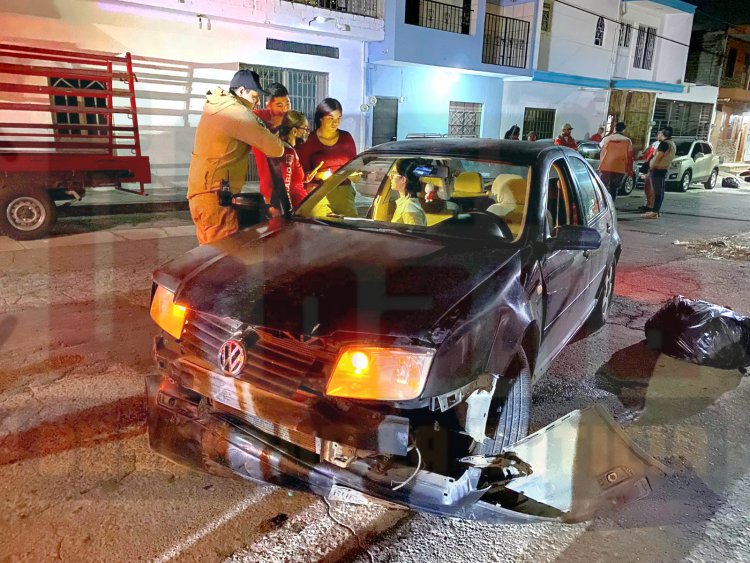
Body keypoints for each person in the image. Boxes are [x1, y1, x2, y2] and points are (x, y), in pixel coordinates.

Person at [187, 69, 284, 244]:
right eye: (255, 96)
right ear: (241, 91)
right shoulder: (236, 113)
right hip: (216, 199)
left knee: (208, 257)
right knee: (224, 259)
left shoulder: (217, 107)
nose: (258, 101)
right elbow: (275, 149)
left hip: (202, 195)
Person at [296, 98, 357, 191]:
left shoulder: (346, 138)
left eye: (338, 118)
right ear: (321, 118)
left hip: (344, 191)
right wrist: (317, 175)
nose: (335, 123)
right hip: (318, 191)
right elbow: (301, 174)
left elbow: (354, 166)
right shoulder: (309, 141)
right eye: (330, 118)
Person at [252, 82, 292, 207]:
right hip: (270, 188)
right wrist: (274, 125)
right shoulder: (258, 117)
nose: (285, 109)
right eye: (279, 105)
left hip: (292, 184)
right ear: (268, 105)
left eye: (287, 104)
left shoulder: (291, 120)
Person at [268, 111, 310, 215]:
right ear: (294, 131)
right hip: (297, 208)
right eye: (305, 128)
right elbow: (285, 186)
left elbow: (290, 178)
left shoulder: (287, 149)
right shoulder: (288, 153)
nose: (307, 132)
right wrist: (288, 212)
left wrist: (304, 178)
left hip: (298, 207)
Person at [642, 127, 677, 219]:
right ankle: (655, 211)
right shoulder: (671, 143)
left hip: (658, 169)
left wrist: (651, 166)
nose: (658, 135)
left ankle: (654, 212)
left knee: (657, 192)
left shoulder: (664, 144)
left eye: (660, 133)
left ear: (663, 134)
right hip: (663, 169)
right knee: (659, 191)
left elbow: (657, 157)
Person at [598, 122, 633, 201]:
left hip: (606, 166)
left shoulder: (607, 138)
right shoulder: (628, 141)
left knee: (602, 186)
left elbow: (600, 148)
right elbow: (630, 156)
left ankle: (601, 203)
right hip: (620, 168)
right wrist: (629, 169)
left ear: (614, 128)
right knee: (614, 188)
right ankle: (611, 204)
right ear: (623, 130)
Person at [390, 159, 427, 226]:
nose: (390, 177)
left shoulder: (409, 208)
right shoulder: (406, 203)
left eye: (394, 174)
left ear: (403, 179)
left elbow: (415, 235)